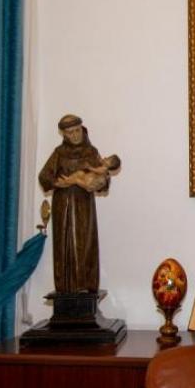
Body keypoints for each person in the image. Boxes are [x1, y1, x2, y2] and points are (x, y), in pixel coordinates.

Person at [38, 115, 112, 294]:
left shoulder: (91, 152)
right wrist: (58, 183)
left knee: (84, 242)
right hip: (62, 204)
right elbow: (44, 176)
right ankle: (65, 287)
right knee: (64, 244)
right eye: (70, 133)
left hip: (83, 205)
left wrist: (98, 180)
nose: (75, 135)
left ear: (82, 129)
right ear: (64, 135)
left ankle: (85, 285)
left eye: (77, 130)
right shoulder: (59, 153)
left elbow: (104, 178)